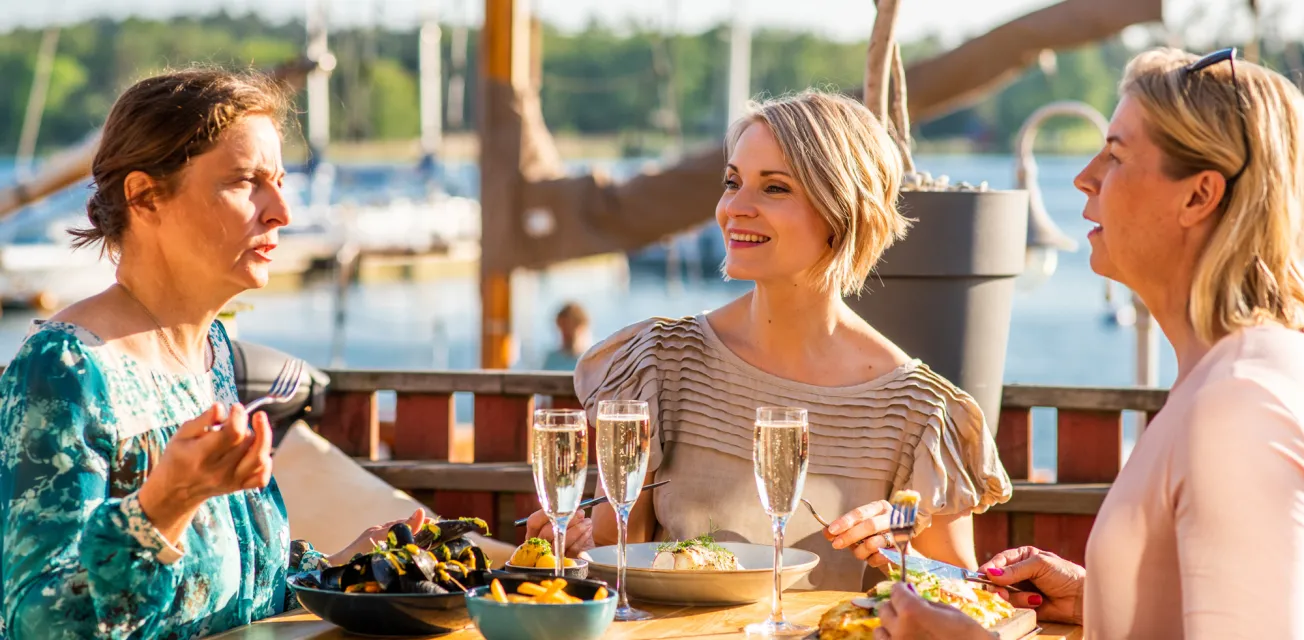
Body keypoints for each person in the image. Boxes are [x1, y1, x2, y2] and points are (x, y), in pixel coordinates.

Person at [875, 47, 1304, 640]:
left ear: (1199, 196)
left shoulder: (1238, 403)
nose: (1085, 176)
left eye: (1117, 154)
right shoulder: (1228, 375)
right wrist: (1096, 600)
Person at [0, 68, 431, 639]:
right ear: (144, 196)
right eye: (246, 181)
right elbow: (38, 624)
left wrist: (341, 571)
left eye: (278, 180)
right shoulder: (65, 370)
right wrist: (165, 506)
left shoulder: (210, 353)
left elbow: (231, 588)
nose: (281, 211)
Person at [526, 90, 1013, 591]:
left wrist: (905, 554)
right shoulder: (659, 364)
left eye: (774, 188)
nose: (735, 208)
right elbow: (614, 562)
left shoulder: (922, 414)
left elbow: (965, 597)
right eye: (732, 182)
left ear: (841, 210)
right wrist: (570, 551)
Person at [541, 302, 592, 371]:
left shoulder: (594, 360)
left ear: (582, 328)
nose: (564, 336)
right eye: (562, 330)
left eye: (568, 329)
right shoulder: (552, 359)